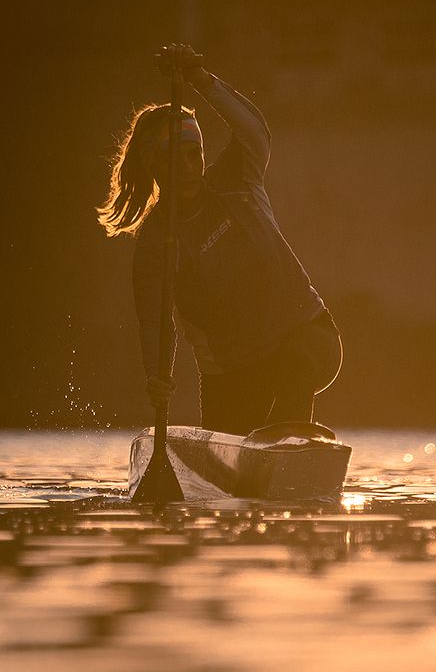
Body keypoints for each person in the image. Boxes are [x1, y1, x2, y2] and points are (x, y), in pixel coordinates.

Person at [98, 48, 342, 436]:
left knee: (296, 368)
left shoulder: (236, 179)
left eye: (193, 154)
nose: (187, 167)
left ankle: (290, 444)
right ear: (156, 168)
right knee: (232, 449)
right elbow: (156, 321)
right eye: (173, 159)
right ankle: (277, 445)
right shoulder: (158, 241)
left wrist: (200, 79)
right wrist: (158, 378)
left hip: (307, 334)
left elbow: (255, 130)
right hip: (232, 371)